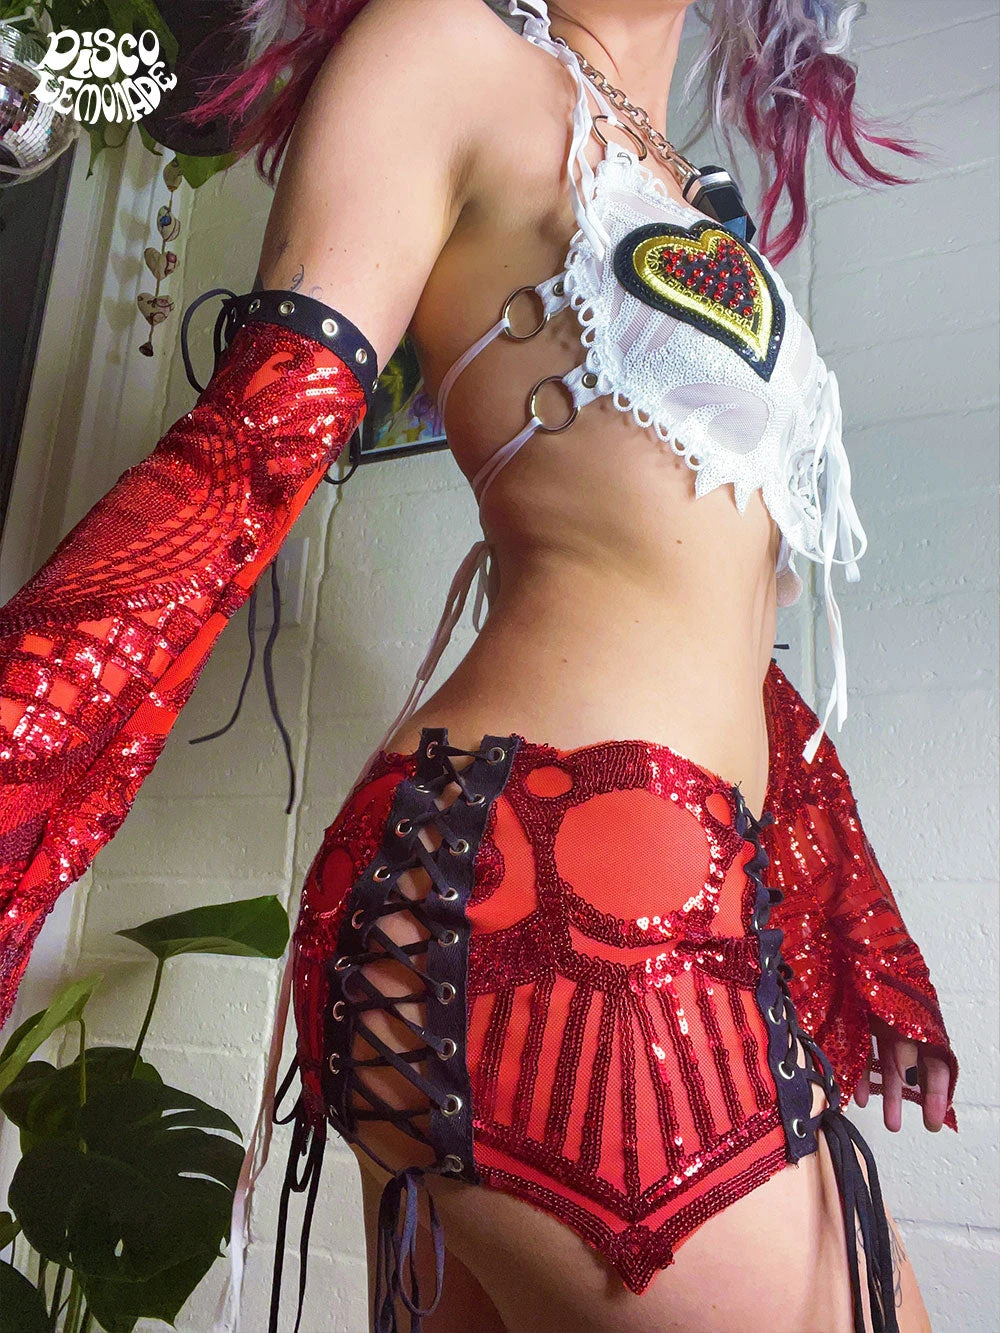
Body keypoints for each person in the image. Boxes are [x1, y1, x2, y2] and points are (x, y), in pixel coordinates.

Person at [0, 3, 960, 1332]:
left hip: (644, 876)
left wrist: (852, 912)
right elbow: (240, 460)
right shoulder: (446, 48)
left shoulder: (691, 191)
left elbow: (721, 610)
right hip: (550, 886)